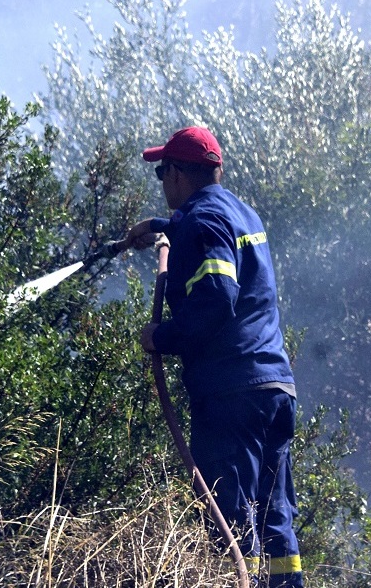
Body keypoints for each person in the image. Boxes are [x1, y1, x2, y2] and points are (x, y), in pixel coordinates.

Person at [122, 126, 304, 588]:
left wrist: (162, 337)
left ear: (181, 175)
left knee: (231, 514)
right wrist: (161, 227)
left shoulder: (200, 224)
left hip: (232, 393)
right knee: (274, 513)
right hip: (274, 387)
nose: (162, 181)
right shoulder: (242, 213)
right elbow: (212, 232)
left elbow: (219, 295)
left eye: (163, 171)